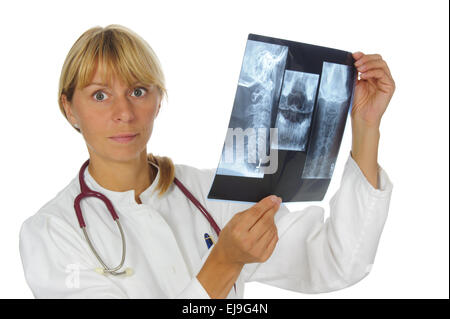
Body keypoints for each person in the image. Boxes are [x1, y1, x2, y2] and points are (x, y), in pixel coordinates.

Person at [19, 24, 395, 299]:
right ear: (69, 108)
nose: (124, 113)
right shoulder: (53, 232)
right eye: (100, 95)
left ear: (158, 100)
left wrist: (365, 127)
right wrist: (225, 261)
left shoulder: (213, 194)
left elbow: (336, 260)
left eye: (137, 91)